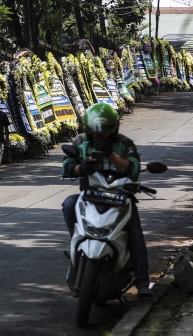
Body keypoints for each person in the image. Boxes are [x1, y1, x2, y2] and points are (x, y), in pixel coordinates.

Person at [61, 103, 153, 300]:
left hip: (120, 196)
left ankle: (143, 283)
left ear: (114, 128)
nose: (102, 134)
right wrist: (81, 168)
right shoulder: (81, 142)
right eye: (97, 131)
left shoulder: (124, 143)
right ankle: (77, 243)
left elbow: (133, 168)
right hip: (91, 195)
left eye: (106, 130)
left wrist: (110, 154)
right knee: (69, 204)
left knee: (135, 233)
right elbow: (67, 165)